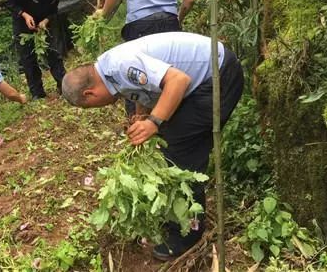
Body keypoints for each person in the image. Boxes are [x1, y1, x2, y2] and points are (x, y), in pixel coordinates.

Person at [62, 32, 244, 260]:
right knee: (172, 143)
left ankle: (189, 233)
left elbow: (178, 81)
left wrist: (154, 122)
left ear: (90, 94)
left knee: (181, 154)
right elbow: (145, 87)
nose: (98, 108)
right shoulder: (107, 69)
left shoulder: (120, 66)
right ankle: (177, 218)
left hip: (217, 76)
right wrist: (143, 115)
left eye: (91, 106)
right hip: (203, 77)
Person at [6, 0, 70, 100]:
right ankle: (37, 93)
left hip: (43, 21)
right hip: (23, 21)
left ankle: (64, 86)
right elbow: (9, 2)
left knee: (53, 52)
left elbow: (54, 9)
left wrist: (46, 20)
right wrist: (24, 15)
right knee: (28, 57)